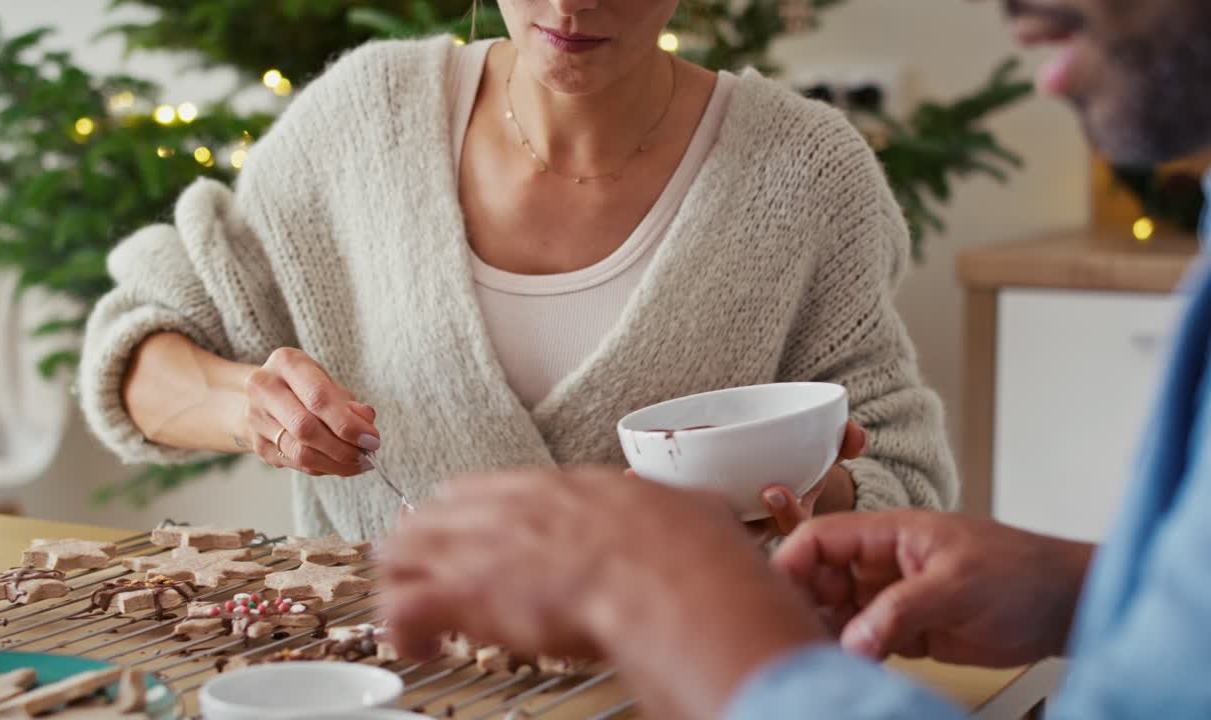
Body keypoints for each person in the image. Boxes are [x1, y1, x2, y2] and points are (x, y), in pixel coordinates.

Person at [381, 0, 1211, 717]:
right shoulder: (380, 114)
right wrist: (1091, 588)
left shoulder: (805, 166)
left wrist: (717, 623)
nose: (1013, 17)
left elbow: (896, 458)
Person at [78, 0, 957, 540]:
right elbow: (137, 355)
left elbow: (905, 483)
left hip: (687, 682)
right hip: (389, 681)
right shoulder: (361, 121)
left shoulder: (805, 173)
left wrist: (788, 487)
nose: (571, 5)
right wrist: (253, 410)